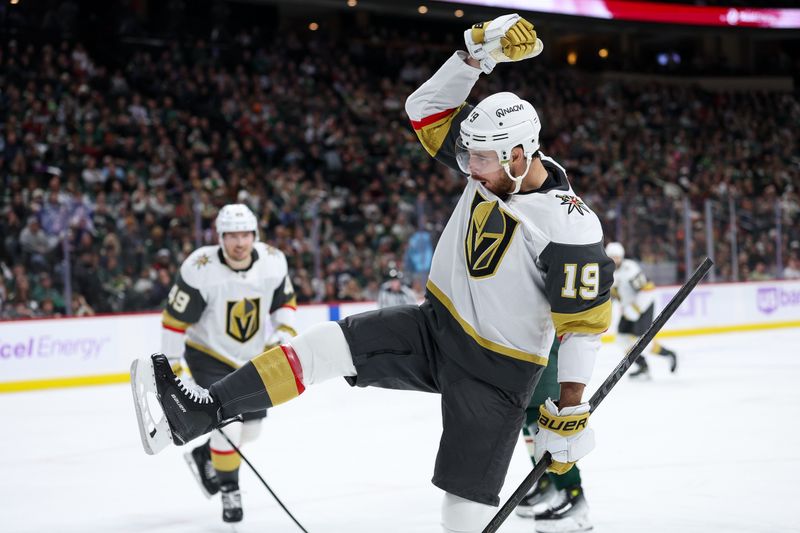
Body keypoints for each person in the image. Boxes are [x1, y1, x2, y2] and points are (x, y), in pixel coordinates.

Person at [131, 15, 614, 532]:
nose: (469, 168)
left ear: (520, 156)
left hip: (496, 374)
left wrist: (570, 407)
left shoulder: (570, 225)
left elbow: (581, 325)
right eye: (468, 155)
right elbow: (423, 110)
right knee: (320, 346)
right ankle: (200, 413)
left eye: (481, 160)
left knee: (462, 509)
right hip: (434, 327)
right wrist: (476, 56)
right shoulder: (491, 163)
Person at [158, 203, 297, 523]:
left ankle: (205, 453)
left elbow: (284, 301)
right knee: (229, 428)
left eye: (245, 234)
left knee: (253, 429)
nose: (239, 242)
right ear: (220, 237)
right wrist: (174, 365)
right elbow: (174, 320)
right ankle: (230, 491)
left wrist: (284, 333)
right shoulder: (199, 267)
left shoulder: (274, 262)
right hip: (209, 354)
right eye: (231, 235)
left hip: (253, 356)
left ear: (255, 235)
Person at [517, 337, 592, 533]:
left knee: (542, 419)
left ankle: (573, 496)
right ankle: (548, 480)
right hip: (525, 344)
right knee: (527, 416)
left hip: (544, 344)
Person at [605, 242, 677, 378]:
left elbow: (647, 289)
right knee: (621, 339)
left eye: (617, 257)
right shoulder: (605, 272)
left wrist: (636, 309)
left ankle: (670, 354)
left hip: (643, 306)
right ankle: (643, 366)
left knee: (641, 341)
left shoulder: (630, 269)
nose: (615, 260)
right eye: (612, 257)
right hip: (628, 309)